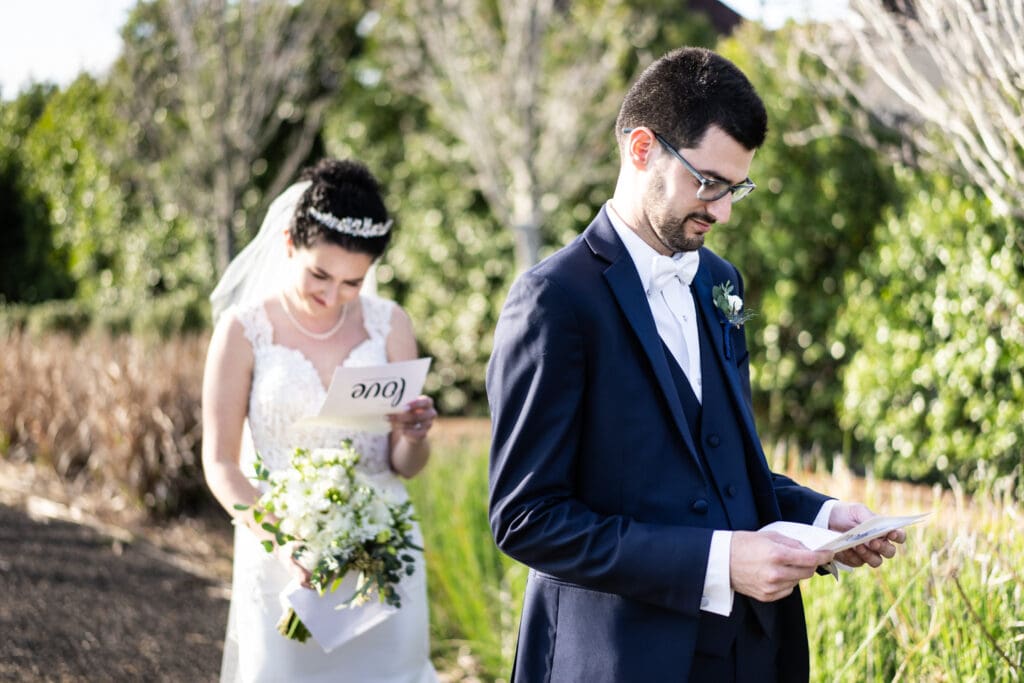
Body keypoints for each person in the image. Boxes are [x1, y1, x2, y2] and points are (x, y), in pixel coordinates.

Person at [486, 47, 906, 682]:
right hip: (620, 658)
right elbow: (527, 517)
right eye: (707, 182)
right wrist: (719, 563)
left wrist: (824, 519)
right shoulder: (553, 300)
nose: (722, 211)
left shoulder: (720, 280)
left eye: (736, 188)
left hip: (752, 655)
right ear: (641, 149)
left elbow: (724, 467)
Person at [202, 158, 438, 682]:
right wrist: (282, 540)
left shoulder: (391, 324)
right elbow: (220, 462)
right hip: (283, 557)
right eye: (319, 275)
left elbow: (406, 465)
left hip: (383, 550)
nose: (332, 297)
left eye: (353, 282)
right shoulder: (243, 331)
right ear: (289, 244)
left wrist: (414, 435)